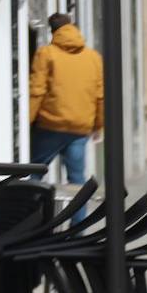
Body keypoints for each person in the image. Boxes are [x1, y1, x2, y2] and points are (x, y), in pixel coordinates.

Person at [29, 13, 104, 188]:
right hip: (80, 127)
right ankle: (80, 216)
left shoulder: (46, 53)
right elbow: (99, 95)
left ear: (52, 31)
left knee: (33, 172)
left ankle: (28, 214)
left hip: (50, 126)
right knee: (77, 180)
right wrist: (98, 125)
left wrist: (28, 120)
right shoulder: (93, 57)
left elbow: (37, 91)